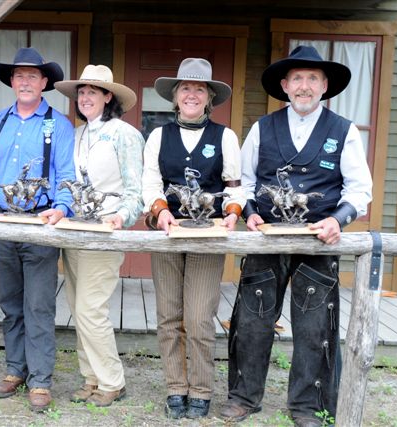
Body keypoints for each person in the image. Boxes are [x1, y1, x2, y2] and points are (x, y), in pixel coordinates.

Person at [220, 46, 373, 426]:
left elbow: (360, 190)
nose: (304, 86)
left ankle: (308, 407)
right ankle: (243, 396)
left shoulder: (344, 131)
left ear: (324, 87)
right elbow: (244, 183)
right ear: (285, 86)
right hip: (267, 238)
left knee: (315, 327)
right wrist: (251, 215)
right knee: (252, 322)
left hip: (318, 242)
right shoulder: (262, 128)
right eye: (298, 79)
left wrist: (339, 219)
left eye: (313, 79)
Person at [142, 58, 245, 419]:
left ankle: (201, 388)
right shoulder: (158, 135)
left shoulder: (225, 136)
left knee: (200, 318)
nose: (191, 93)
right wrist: (160, 210)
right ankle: (175, 386)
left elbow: (234, 187)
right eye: (185, 87)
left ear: (209, 96)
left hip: (208, 236)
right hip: (169, 232)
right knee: (169, 315)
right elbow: (150, 182)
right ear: (175, 96)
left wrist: (232, 213)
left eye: (199, 88)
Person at [0, 47, 75, 412]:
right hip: (3, 221)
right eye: (19, 75)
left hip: (40, 222)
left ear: (45, 82)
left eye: (33, 75)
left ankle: (40, 380)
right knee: (10, 303)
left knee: (38, 304)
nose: (25, 81)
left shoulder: (58, 124)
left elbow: (66, 174)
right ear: (12, 81)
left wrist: (62, 208)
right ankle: (15, 369)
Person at [54, 65, 145, 406]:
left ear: (109, 97)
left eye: (93, 91)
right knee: (78, 309)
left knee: (92, 308)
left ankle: (112, 381)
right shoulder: (76, 134)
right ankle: (90, 377)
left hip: (105, 230)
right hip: (75, 230)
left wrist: (123, 216)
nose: (85, 97)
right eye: (82, 91)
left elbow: (136, 190)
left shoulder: (125, 134)